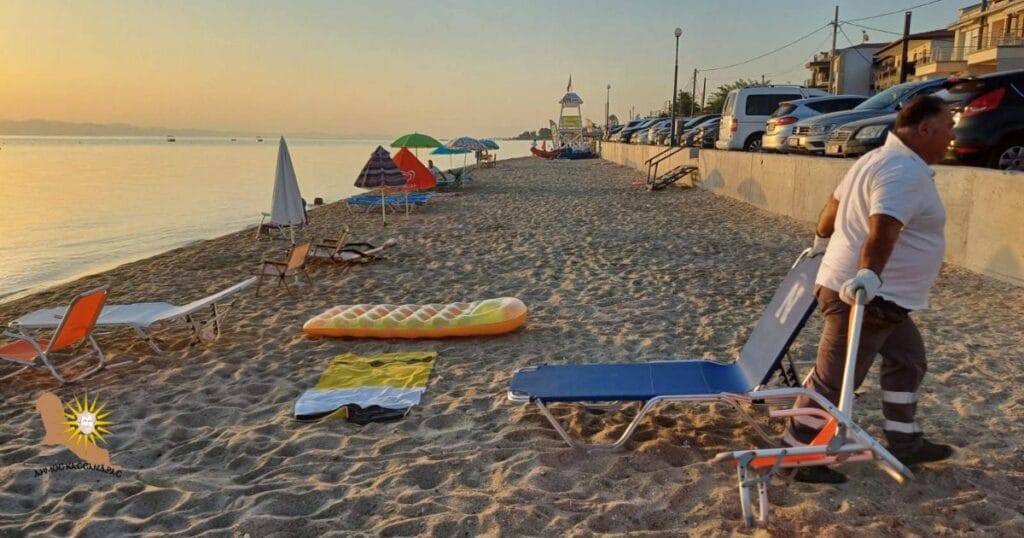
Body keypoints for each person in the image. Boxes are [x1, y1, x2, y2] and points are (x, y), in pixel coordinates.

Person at [787, 95, 956, 484]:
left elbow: (833, 208)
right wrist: (869, 274)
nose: (952, 135)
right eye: (948, 127)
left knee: (908, 360)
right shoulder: (903, 171)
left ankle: (905, 440)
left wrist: (821, 240)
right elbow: (883, 227)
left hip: (882, 299)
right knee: (833, 380)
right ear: (925, 129)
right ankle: (800, 455)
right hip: (864, 297)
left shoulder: (876, 159)